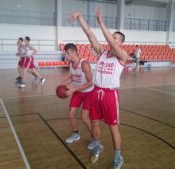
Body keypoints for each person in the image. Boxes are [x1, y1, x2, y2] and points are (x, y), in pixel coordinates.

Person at [69, 8, 128, 169]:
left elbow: (109, 41)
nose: (112, 39)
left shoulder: (123, 56)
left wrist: (101, 22)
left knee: (113, 128)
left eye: (115, 38)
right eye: (112, 37)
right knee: (94, 123)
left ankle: (118, 156)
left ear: (120, 43)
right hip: (96, 92)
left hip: (110, 95)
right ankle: (97, 145)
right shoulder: (102, 53)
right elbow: (90, 35)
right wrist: (80, 17)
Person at [59, 43, 95, 149]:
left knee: (84, 117)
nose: (66, 55)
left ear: (74, 52)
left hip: (88, 92)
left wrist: (73, 89)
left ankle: (95, 138)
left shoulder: (84, 64)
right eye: (65, 53)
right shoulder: (71, 63)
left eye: (67, 53)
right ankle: (75, 134)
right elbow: (73, 77)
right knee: (71, 114)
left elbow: (91, 82)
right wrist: (62, 83)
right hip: (78, 92)